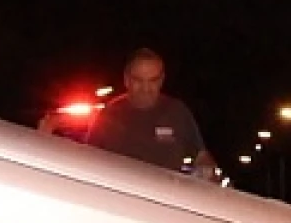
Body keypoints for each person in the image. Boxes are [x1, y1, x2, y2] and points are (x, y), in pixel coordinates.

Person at [84, 48, 220, 181]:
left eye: (152, 81)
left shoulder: (177, 112)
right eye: (138, 80)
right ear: (127, 80)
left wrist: (206, 171)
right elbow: (87, 161)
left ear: (161, 80)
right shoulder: (109, 114)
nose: (145, 89)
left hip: (166, 198)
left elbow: (202, 158)